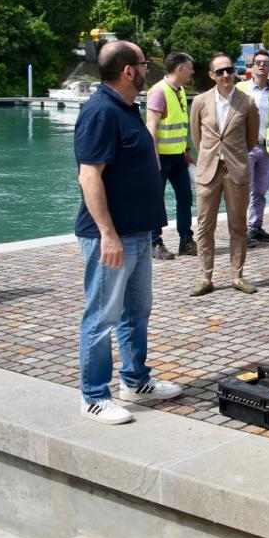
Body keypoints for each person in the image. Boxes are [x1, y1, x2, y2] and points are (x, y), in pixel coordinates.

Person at [74, 40, 182, 424]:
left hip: (138, 232)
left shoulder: (126, 109)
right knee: (102, 315)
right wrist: (107, 233)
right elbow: (89, 176)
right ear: (127, 70)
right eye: (142, 64)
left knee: (137, 311)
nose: (146, 69)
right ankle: (93, 395)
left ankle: (136, 381)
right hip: (112, 236)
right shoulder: (100, 112)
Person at [188, 52, 261, 297]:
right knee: (204, 226)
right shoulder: (199, 101)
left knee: (238, 226)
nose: (226, 75)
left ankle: (237, 276)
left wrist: (233, 155)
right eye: (220, 71)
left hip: (236, 170)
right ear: (212, 75)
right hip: (208, 170)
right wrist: (211, 155)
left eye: (229, 69)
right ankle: (205, 277)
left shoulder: (247, 102)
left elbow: (251, 139)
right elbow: (197, 138)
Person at [145, 51, 196, 260]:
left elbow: (181, 124)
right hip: (161, 157)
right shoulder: (159, 91)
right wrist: (153, 155)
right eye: (190, 67)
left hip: (178, 156)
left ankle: (186, 240)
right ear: (180, 68)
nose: (192, 71)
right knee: (156, 200)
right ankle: (155, 242)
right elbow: (151, 125)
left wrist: (187, 150)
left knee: (185, 197)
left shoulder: (180, 91)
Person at [238, 49, 269, 246]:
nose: (262, 66)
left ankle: (255, 227)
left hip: (266, 148)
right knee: (244, 190)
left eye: (265, 63)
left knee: (261, 190)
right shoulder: (240, 88)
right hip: (246, 147)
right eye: (258, 62)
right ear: (252, 67)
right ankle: (242, 231)